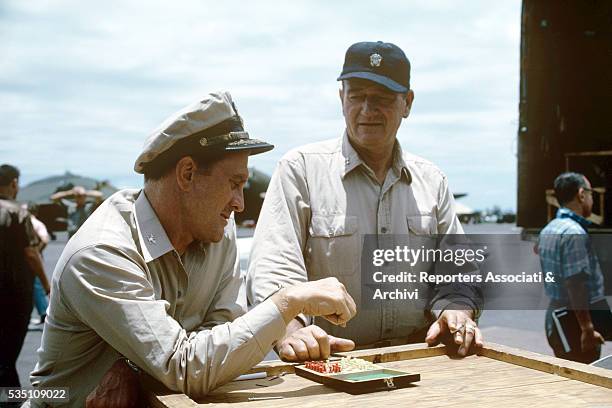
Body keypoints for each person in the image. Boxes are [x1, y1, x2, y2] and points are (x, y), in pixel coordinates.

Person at [28, 92, 356, 407]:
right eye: (234, 183)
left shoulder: (217, 227)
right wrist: (286, 302)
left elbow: (221, 339)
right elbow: (185, 367)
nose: (239, 204)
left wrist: (139, 370)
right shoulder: (102, 251)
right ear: (187, 174)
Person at [247, 41, 483, 362]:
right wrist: (292, 328)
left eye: (382, 98)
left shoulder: (432, 180)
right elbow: (274, 264)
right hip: (330, 361)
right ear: (341, 98)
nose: (367, 110)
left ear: (407, 103)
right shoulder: (300, 169)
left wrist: (457, 311)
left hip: (420, 359)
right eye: (356, 95)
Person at [538, 172, 605, 363]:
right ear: (581, 194)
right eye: (591, 193)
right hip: (575, 326)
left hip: (556, 318)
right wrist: (587, 329)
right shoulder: (574, 233)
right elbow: (575, 284)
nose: (592, 199)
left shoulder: (550, 228)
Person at [0, 164, 50, 391]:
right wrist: (47, 285)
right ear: (14, 183)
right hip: (14, 291)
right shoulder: (18, 212)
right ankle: (9, 396)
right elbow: (31, 253)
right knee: (8, 351)